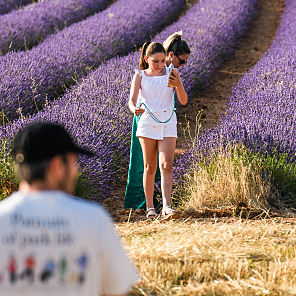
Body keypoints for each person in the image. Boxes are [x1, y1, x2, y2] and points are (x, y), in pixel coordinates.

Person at [0, 121, 138, 295]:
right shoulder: (92, 218)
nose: (76, 170)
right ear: (57, 165)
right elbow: (117, 288)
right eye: (74, 161)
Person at [125, 33, 191, 210]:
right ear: (146, 59)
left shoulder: (171, 73)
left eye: (162, 61)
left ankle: (167, 207)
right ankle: (150, 207)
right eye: (156, 61)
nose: (160, 65)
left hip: (168, 120)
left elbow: (183, 100)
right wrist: (134, 109)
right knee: (149, 167)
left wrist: (178, 84)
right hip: (147, 122)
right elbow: (132, 100)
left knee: (167, 165)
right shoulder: (140, 76)